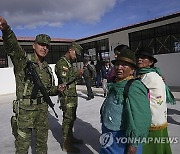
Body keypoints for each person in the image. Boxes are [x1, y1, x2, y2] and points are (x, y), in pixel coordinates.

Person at [0, 16, 65, 154]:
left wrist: (57, 89)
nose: (44, 48)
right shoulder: (23, 61)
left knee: (42, 145)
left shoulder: (47, 68)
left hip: (42, 112)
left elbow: (48, 90)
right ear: (33, 45)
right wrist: (6, 30)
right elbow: (12, 47)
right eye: (41, 44)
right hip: (25, 112)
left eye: (47, 46)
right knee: (22, 147)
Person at [99, 48, 151, 154]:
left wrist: (134, 144)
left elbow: (141, 118)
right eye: (117, 64)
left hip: (120, 136)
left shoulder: (134, 87)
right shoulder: (115, 84)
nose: (119, 68)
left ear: (132, 70)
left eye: (124, 65)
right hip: (108, 133)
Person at [135, 46, 173, 154]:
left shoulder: (151, 77)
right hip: (158, 119)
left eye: (143, 57)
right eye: (138, 57)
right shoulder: (144, 74)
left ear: (151, 62)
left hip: (152, 120)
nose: (139, 59)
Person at [55, 42, 84, 153]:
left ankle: (71, 138)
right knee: (67, 120)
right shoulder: (61, 63)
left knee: (72, 118)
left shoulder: (68, 62)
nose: (76, 56)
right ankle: (66, 144)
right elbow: (64, 79)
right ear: (71, 50)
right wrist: (77, 74)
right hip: (66, 96)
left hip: (72, 95)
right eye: (75, 53)